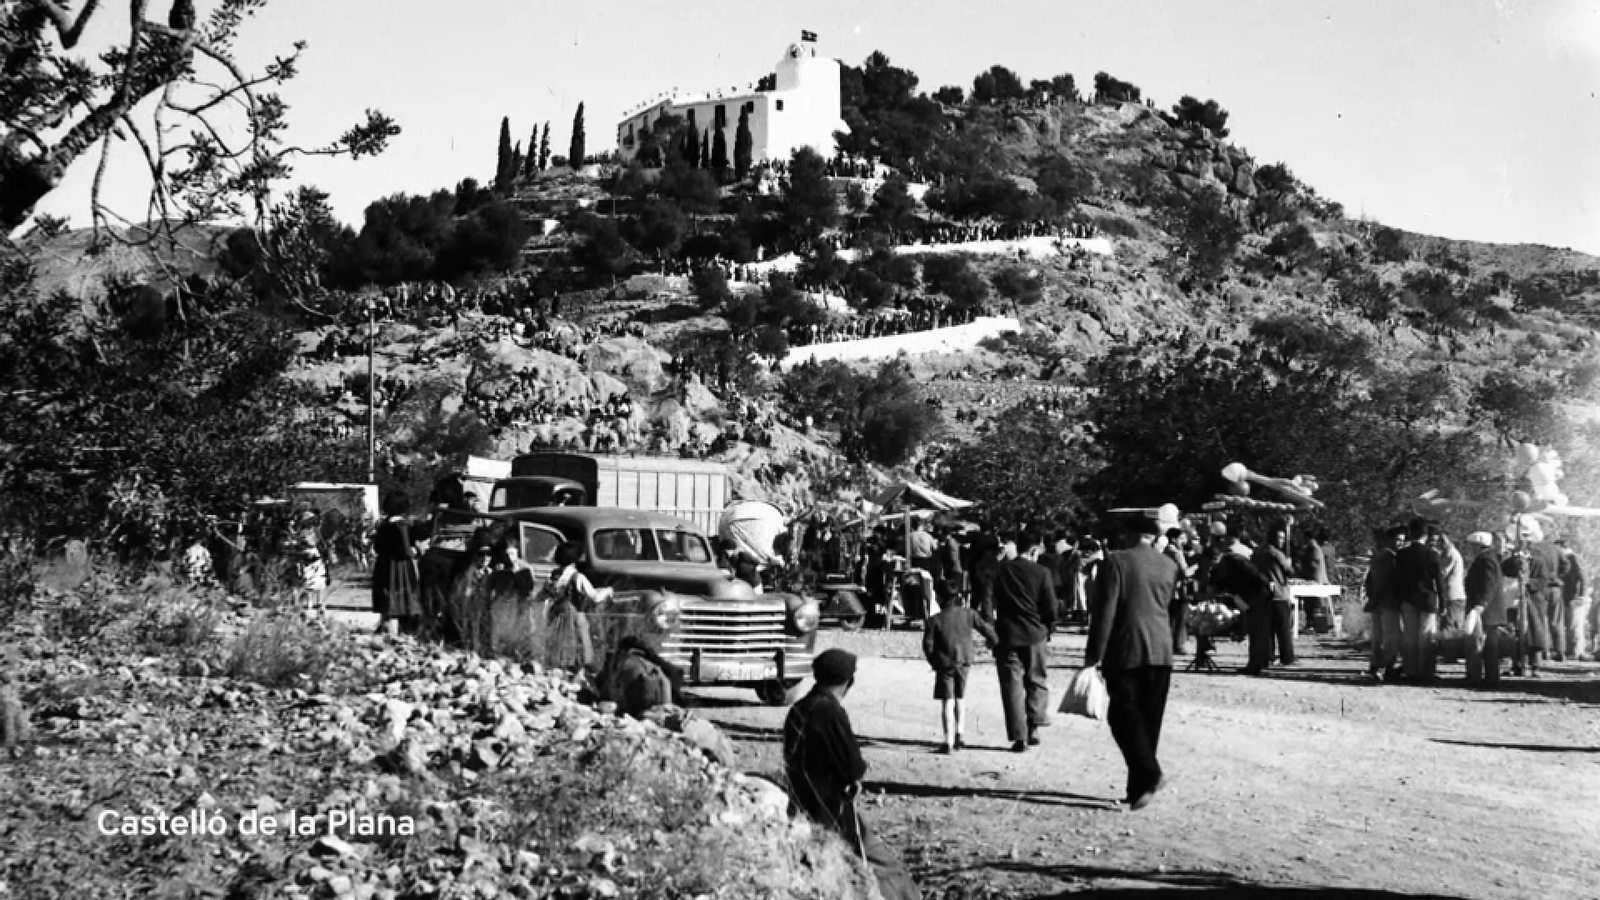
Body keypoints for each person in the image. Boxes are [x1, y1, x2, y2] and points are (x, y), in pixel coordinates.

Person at [783, 649, 921, 900]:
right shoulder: (831, 712)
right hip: (832, 808)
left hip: (801, 804)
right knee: (883, 864)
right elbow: (853, 766)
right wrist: (854, 780)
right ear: (849, 682)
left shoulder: (798, 709)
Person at [1084, 514, 1179, 810]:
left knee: (1122, 716)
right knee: (1149, 721)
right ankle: (1138, 789)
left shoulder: (1117, 562)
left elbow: (1105, 612)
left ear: (1130, 535)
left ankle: (1151, 774)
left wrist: (1093, 655)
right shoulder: (1170, 565)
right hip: (1162, 650)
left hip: (1127, 649)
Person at [990, 533, 1057, 753]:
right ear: (1034, 550)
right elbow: (1050, 606)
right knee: (1036, 679)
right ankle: (1034, 725)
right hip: (1035, 633)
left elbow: (990, 598)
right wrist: (1049, 626)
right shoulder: (1042, 572)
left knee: (1012, 684)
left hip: (1008, 633)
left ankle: (1018, 737)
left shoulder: (1002, 570)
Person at [922, 589, 997, 753]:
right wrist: (993, 642)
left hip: (945, 663)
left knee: (947, 701)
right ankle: (960, 734)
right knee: (960, 697)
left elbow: (928, 646)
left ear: (940, 598)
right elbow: (987, 629)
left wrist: (935, 662)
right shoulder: (969, 614)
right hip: (964, 660)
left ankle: (947, 742)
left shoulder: (934, 620)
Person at [540, 541, 613, 675]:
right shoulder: (577, 577)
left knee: (557, 651)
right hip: (574, 617)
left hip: (555, 616)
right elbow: (595, 596)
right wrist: (608, 590)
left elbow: (541, 596)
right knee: (580, 652)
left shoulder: (553, 576)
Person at [1393, 518, 1447, 683]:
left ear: (1410, 533)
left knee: (1410, 636)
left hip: (1408, 599)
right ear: (1426, 534)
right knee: (1426, 637)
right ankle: (1426, 672)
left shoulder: (1402, 554)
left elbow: (1397, 579)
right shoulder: (1432, 555)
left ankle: (1410, 670)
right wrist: (1443, 603)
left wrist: (1398, 599)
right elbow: (1439, 581)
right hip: (1427, 600)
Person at [372, 492, 424, 635]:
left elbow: (377, 547)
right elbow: (407, 550)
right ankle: (398, 635)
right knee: (400, 605)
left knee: (387, 603)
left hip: (383, 565)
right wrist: (417, 553)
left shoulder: (382, 525)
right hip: (400, 567)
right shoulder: (403, 525)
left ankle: (386, 631)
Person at [1248, 523, 1297, 673]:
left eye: (1283, 538)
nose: (1281, 541)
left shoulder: (1257, 553)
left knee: (1266, 630)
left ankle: (1267, 657)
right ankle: (1287, 657)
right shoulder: (1277, 554)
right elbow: (1290, 571)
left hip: (1263, 595)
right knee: (1283, 630)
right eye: (1279, 538)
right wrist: (1290, 563)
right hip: (1279, 595)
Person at [1462, 532, 1506, 686]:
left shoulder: (1485, 560)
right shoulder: (1489, 559)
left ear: (1477, 546)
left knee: (1477, 644)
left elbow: (1488, 585)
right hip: (1489, 610)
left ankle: (1475, 677)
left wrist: (1480, 605)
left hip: (1484, 610)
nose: (1468, 549)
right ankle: (1490, 678)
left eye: (1470, 546)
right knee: (1489, 647)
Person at [1363, 526, 1405, 682]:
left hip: (1377, 601)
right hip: (1388, 601)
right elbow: (1384, 581)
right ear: (1390, 540)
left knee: (1378, 636)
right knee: (1390, 637)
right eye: (1398, 540)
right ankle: (1387, 666)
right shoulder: (1390, 557)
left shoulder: (1377, 556)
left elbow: (1370, 579)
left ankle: (1375, 664)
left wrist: (1371, 597)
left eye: (1402, 540)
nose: (1400, 543)